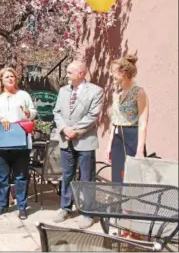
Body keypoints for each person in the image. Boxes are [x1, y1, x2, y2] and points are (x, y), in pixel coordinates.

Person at [52, 60, 104, 229]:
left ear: (81, 73)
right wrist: (64, 129)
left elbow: (92, 115)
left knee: (87, 178)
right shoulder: (63, 90)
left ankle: (88, 213)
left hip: (85, 141)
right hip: (66, 141)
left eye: (69, 72)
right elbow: (57, 112)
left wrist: (75, 130)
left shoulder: (96, 91)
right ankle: (65, 208)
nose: (66, 75)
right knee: (67, 176)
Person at [0, 67, 37, 220]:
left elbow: (33, 111)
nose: (10, 79)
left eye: (12, 76)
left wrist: (28, 113)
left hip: (20, 141)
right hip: (0, 141)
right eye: (6, 77)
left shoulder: (23, 95)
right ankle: (2, 205)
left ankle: (22, 207)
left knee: (21, 176)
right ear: (1, 80)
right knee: (2, 176)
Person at [106, 54, 149, 182]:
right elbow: (114, 121)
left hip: (132, 136)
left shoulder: (139, 92)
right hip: (117, 137)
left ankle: (133, 202)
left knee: (134, 178)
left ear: (123, 73)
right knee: (117, 177)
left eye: (113, 71)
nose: (111, 75)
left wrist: (140, 150)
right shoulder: (116, 94)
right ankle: (119, 201)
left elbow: (143, 123)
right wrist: (109, 144)